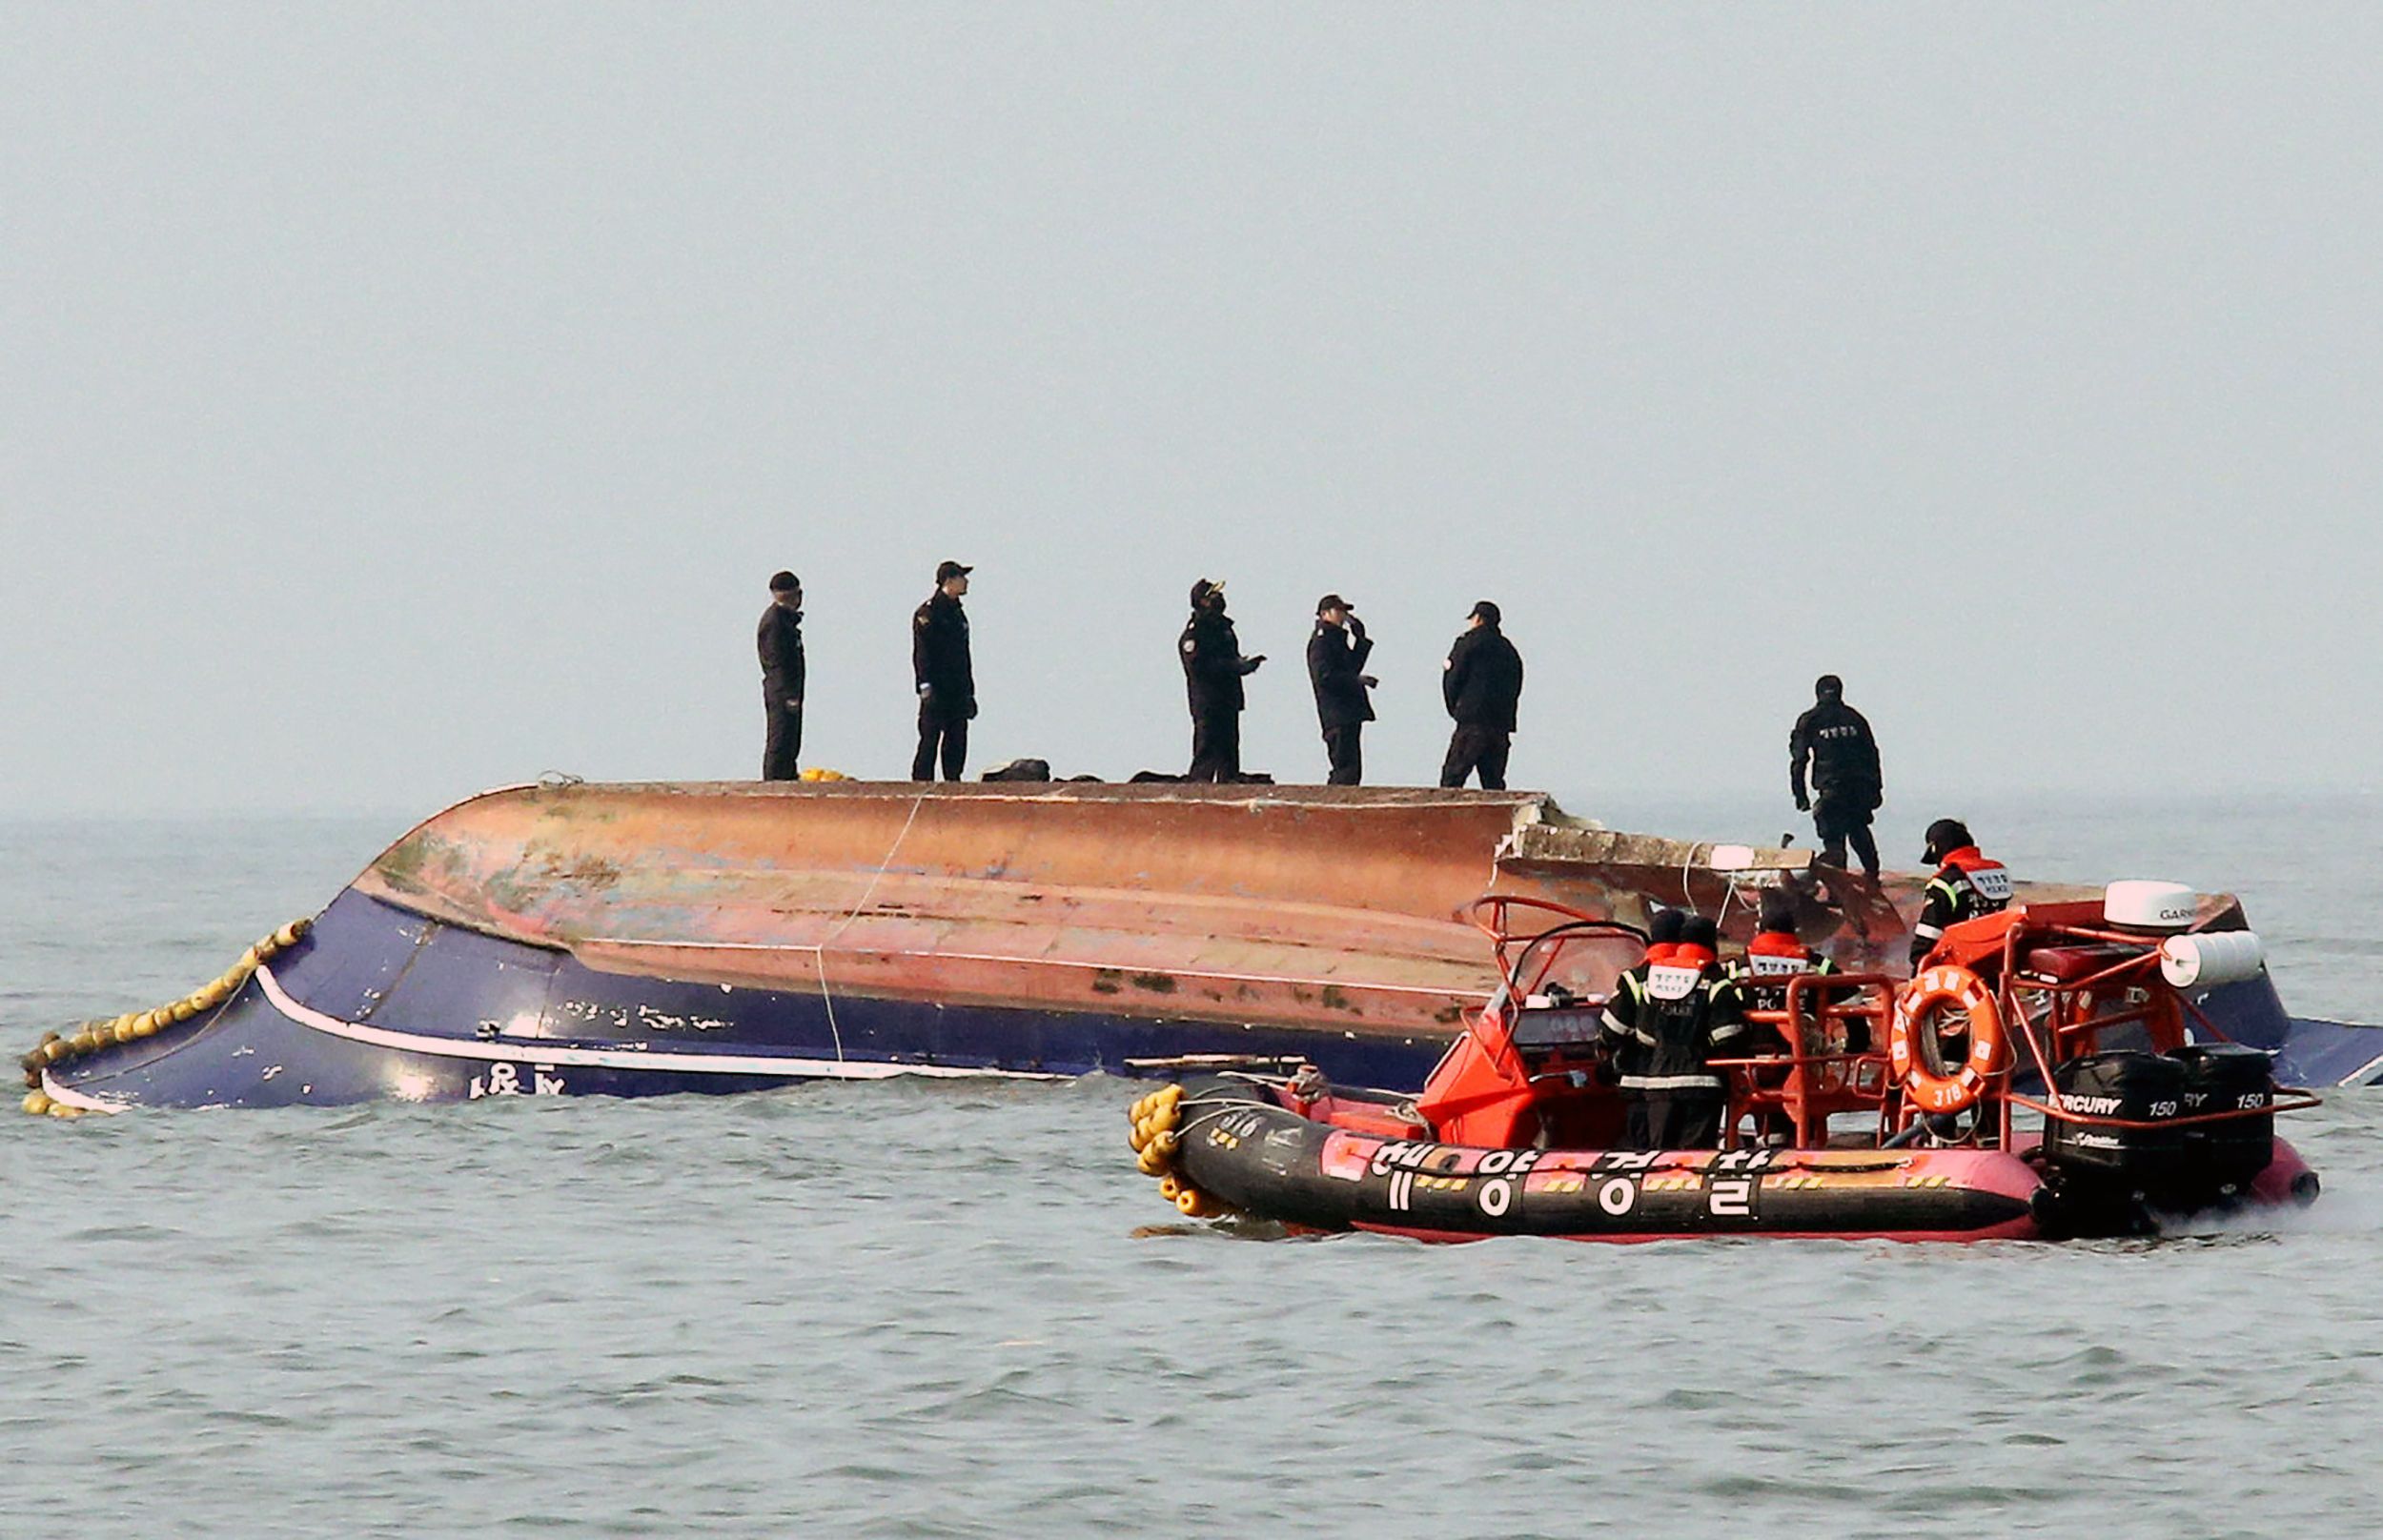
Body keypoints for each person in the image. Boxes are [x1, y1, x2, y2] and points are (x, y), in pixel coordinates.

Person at [1599, 915, 1748, 1149]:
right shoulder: (1713, 980)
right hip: (1701, 1082)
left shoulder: (1644, 976)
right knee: (1694, 1160)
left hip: (1651, 1084)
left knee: (1655, 1159)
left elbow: (1613, 1031)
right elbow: (1728, 1035)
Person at [1788, 675, 1884, 878]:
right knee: (1859, 829)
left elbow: (1799, 760)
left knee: (1833, 840)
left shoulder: (1810, 720)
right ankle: (1873, 875)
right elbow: (1872, 754)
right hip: (1859, 788)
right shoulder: (1855, 718)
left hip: (1831, 790)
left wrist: (1800, 795)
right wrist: (1876, 789)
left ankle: (1838, 888)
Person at [1180, 578, 1265, 782]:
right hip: (1208, 701)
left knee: (1229, 752)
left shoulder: (1224, 629)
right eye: (1213, 596)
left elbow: (1228, 659)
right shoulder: (1196, 631)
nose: (1220, 599)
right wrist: (1233, 666)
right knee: (1206, 752)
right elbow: (1199, 666)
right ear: (1203, 601)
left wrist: (1243, 665)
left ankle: (1229, 784)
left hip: (1228, 700)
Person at [1439, 601, 1524, 789]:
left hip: (1473, 721)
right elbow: (1517, 684)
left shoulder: (1468, 642)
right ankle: (1498, 818)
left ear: (1478, 618)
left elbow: (1452, 678)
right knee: (1493, 783)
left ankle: (1445, 818)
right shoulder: (1508, 649)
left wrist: (1457, 709)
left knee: (1453, 778)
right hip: (1500, 723)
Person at [1909, 819, 2013, 966]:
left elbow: (1928, 934)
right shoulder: (1996, 873)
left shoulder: (1945, 882)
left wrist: (1918, 958)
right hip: (1994, 952)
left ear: (1936, 849)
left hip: (1959, 958)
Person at [911, 560, 976, 781]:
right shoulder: (928, 613)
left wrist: (969, 692)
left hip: (957, 689)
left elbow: (964, 658)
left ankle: (953, 784)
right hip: (937, 688)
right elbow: (923, 654)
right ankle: (920, 785)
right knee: (929, 739)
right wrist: (925, 686)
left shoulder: (958, 615)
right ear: (949, 580)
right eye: (961, 577)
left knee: (956, 740)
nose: (966, 581)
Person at [1305, 595, 1377, 785]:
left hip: (1348, 712)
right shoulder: (1322, 641)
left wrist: (1361, 640)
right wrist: (1357, 680)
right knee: (1344, 767)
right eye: (1339, 611)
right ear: (1324, 614)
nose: (1344, 616)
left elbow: (1352, 667)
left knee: (1351, 768)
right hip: (1336, 712)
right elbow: (1324, 676)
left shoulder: (1336, 639)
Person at [757, 571, 805, 781]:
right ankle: (775, 783)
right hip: (781, 692)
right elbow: (777, 662)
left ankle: (786, 777)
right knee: (780, 738)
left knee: (790, 738)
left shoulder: (784, 621)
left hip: (786, 690)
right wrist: (788, 694)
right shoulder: (776, 622)